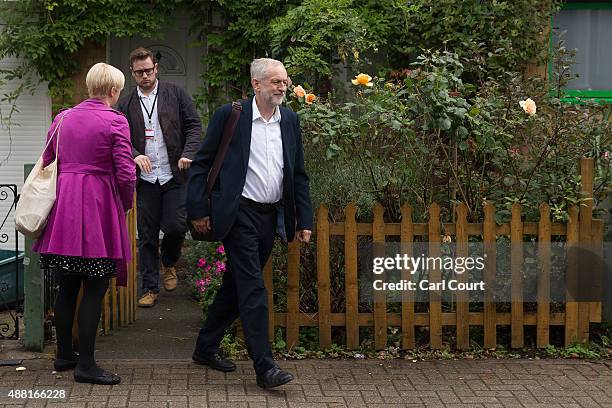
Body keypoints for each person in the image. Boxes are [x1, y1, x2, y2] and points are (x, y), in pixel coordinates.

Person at [186, 58, 313, 389]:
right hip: (238, 213)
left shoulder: (290, 120)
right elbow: (201, 164)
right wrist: (198, 210)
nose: (282, 87)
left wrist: (303, 219)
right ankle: (265, 366)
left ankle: (205, 346)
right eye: (275, 82)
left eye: (284, 81)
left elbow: (298, 173)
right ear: (256, 85)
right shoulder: (232, 116)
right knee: (254, 288)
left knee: (237, 284)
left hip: (271, 216)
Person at [33, 63, 136, 385]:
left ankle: (65, 355)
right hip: (97, 207)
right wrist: (126, 202)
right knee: (95, 287)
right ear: (113, 91)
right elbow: (125, 171)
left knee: (67, 286)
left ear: (90, 86)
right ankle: (87, 365)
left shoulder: (62, 118)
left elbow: (48, 159)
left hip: (65, 208)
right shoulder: (115, 120)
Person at [117, 47, 202, 307]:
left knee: (176, 227)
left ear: (156, 69)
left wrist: (188, 152)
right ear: (132, 73)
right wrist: (133, 154)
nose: (145, 75)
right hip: (146, 179)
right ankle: (149, 289)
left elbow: (194, 125)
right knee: (147, 235)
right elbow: (119, 136)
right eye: (140, 72)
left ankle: (168, 262)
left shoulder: (175, 94)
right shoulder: (127, 103)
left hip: (174, 174)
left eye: (149, 70)